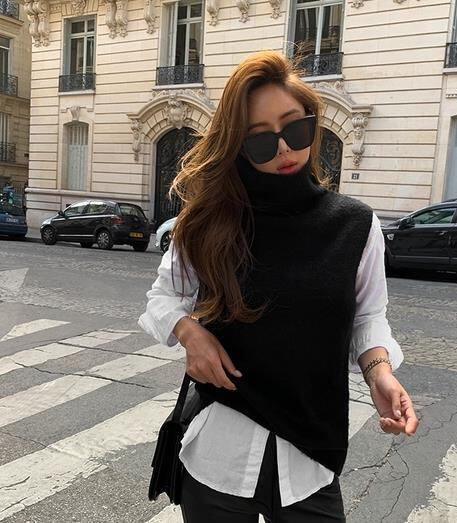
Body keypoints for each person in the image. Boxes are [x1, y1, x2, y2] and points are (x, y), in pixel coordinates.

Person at [139, 50, 419, 523]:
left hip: (311, 456)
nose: (285, 149)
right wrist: (190, 333)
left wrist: (380, 375)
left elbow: (368, 317)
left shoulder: (355, 225)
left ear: (312, 121)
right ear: (237, 145)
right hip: (219, 455)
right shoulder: (207, 222)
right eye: (261, 140)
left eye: (295, 129)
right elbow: (164, 297)